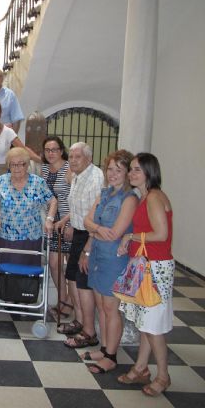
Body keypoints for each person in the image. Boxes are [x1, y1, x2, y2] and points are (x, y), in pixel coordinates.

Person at [117, 153, 174, 397]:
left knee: (153, 326)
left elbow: (161, 234)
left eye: (137, 169)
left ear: (150, 172)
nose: (132, 173)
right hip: (147, 266)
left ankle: (163, 375)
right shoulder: (146, 197)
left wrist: (130, 237)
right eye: (130, 169)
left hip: (156, 268)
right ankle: (141, 368)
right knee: (144, 322)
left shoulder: (153, 197)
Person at [80, 149, 137, 374]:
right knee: (101, 308)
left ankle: (111, 356)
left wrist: (96, 229)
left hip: (114, 259)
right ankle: (104, 348)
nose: (112, 174)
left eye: (118, 170)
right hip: (96, 256)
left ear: (126, 173)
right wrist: (95, 233)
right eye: (110, 169)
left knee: (111, 308)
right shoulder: (105, 194)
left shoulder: (130, 198)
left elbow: (115, 233)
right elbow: (87, 221)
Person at [56, 142, 104, 348]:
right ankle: (79, 320)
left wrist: (89, 246)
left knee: (83, 283)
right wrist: (65, 219)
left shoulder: (96, 178)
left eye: (77, 157)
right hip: (77, 232)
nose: (72, 161)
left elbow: (99, 214)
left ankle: (89, 332)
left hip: (89, 236)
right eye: (71, 157)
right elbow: (79, 206)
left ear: (89, 159)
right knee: (72, 278)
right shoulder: (77, 176)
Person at [0, 147, 57, 266]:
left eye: (20, 164)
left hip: (30, 237)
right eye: (12, 164)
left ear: (27, 165)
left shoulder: (38, 182)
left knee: (28, 277)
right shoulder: (2, 180)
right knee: (6, 274)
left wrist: (49, 220)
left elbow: (53, 201)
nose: (16, 168)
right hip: (6, 237)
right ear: (8, 165)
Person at [41, 136, 73, 318]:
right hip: (51, 223)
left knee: (71, 266)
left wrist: (70, 222)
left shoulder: (70, 168)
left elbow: (77, 200)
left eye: (54, 150)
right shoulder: (44, 169)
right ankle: (63, 300)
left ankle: (70, 303)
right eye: (47, 150)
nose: (51, 153)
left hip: (69, 221)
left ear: (61, 151)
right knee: (54, 263)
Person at [0, 100, 37, 182]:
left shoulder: (8, 132)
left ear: (0, 114)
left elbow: (23, 149)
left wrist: (41, 160)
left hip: (1, 174)